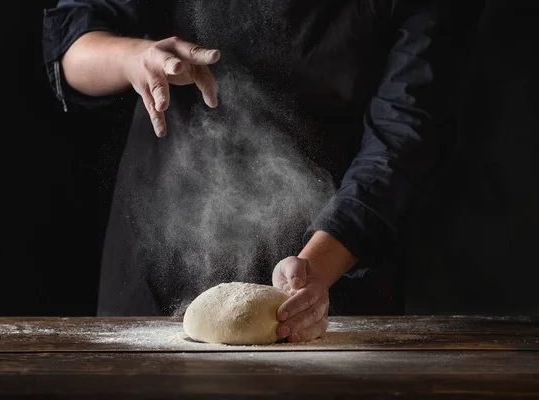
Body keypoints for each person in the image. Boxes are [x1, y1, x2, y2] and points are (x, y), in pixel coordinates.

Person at [43, 0, 474, 342]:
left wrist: (315, 271)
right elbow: (73, 46)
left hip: (336, 259)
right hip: (157, 250)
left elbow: (406, 133)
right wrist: (134, 58)